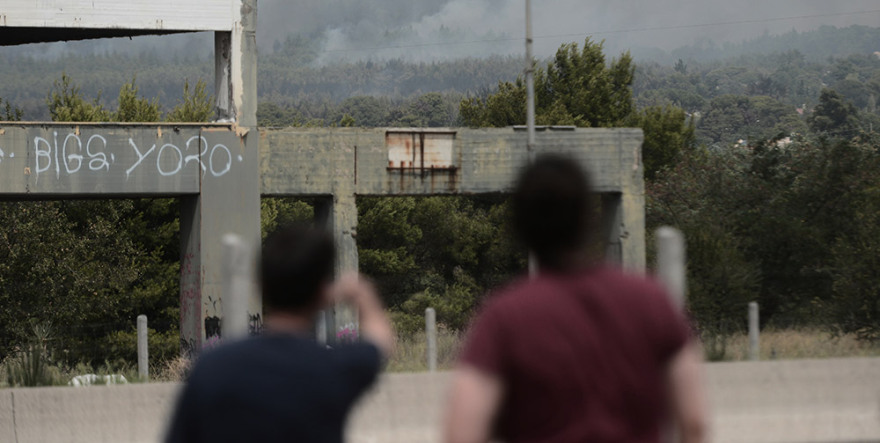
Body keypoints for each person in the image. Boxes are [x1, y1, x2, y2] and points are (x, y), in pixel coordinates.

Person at [445, 154, 707, 443]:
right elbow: (693, 421)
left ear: (520, 226)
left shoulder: (503, 317)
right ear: (586, 218)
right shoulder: (652, 299)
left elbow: (462, 432)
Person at [165, 224, 393, 443]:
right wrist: (361, 294)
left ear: (261, 285)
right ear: (323, 294)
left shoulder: (211, 367)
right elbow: (380, 341)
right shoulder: (334, 367)